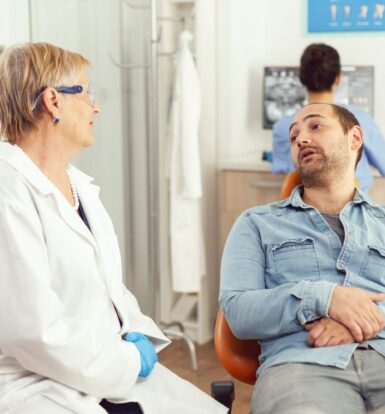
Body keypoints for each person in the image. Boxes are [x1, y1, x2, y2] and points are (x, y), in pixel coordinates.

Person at [0, 42, 226, 414]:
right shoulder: (9, 192)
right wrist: (125, 362)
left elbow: (110, 289)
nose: (96, 106)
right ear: (53, 102)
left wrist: (134, 334)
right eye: (86, 92)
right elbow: (32, 332)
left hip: (101, 368)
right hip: (38, 385)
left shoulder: (79, 186)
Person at [220, 102, 385, 414]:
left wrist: (360, 321)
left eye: (315, 126)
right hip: (301, 367)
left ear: (355, 138)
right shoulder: (256, 223)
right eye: (293, 137)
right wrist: (324, 297)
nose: (301, 140)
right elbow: (239, 312)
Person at [272, 43, 385, 196]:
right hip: (358, 211)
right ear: (338, 78)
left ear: (301, 78)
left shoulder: (282, 127)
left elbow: (286, 171)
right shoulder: (360, 120)